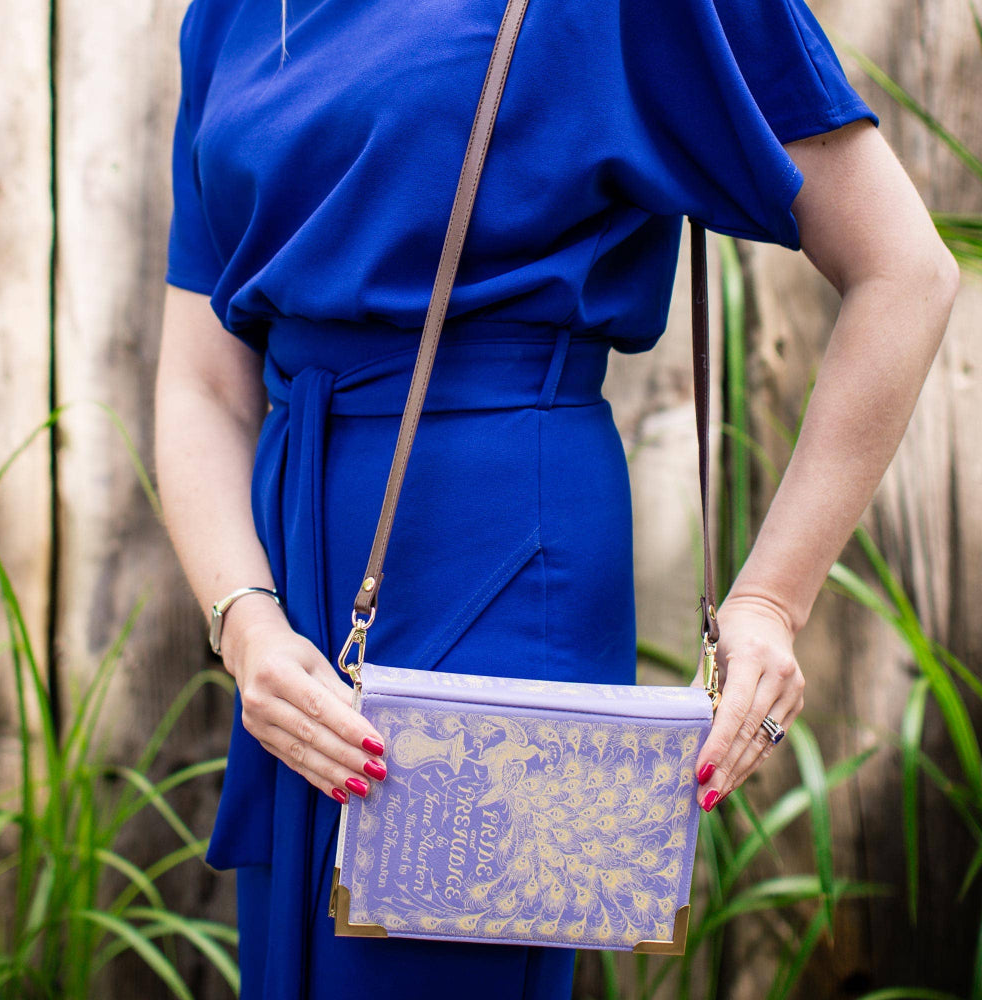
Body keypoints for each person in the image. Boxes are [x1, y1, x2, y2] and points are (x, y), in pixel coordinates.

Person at [153, 0, 958, 995]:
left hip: (493, 546)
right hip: (284, 578)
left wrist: (769, 601)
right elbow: (202, 380)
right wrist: (247, 624)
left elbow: (903, 271)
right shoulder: (226, 14)